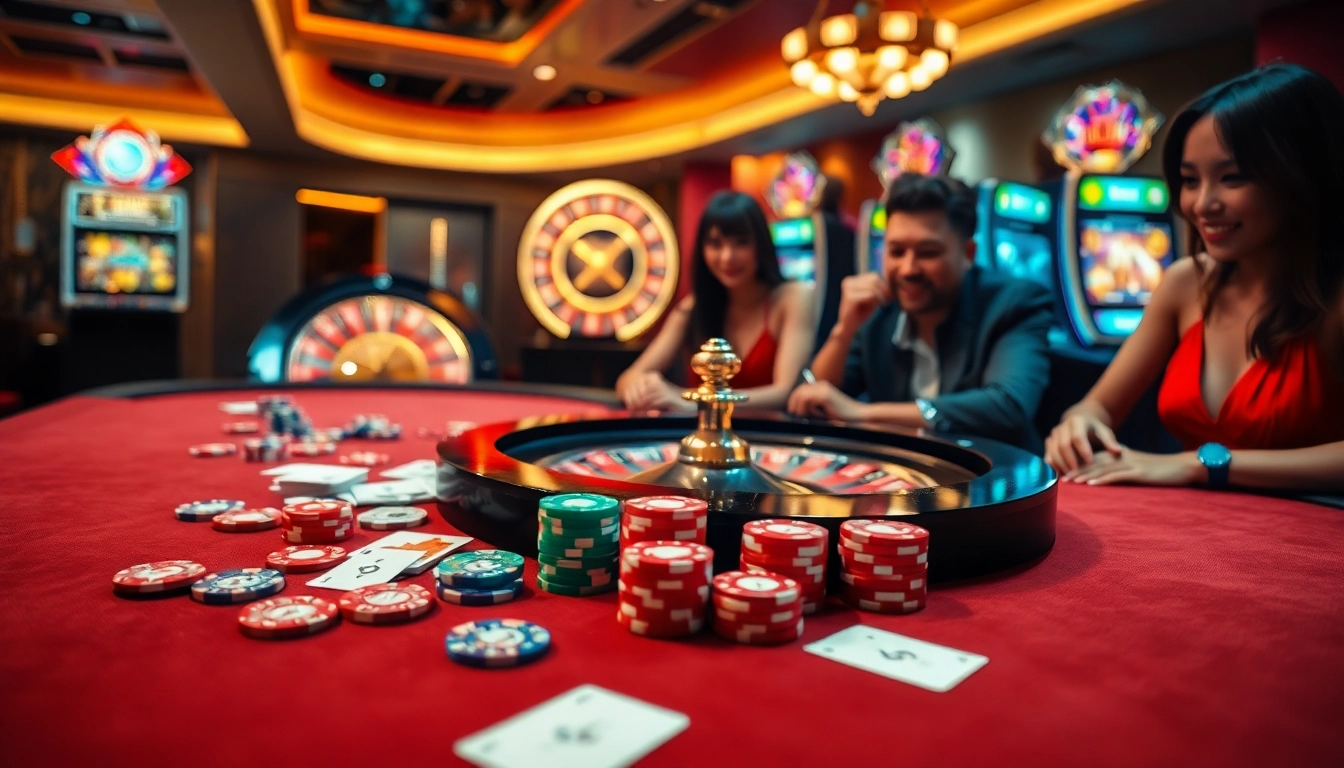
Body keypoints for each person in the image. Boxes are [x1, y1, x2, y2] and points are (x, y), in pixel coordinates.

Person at [1045, 63, 1344, 491]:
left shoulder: (1336, 293)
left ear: (1301, 176)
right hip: (1197, 531)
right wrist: (1078, 426)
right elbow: (1095, 407)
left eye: (1232, 178)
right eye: (1189, 180)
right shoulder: (1185, 284)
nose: (1202, 204)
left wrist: (1200, 465)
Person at [787, 174, 1054, 451]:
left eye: (928, 252)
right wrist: (844, 329)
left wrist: (864, 413)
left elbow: (1007, 405)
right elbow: (812, 399)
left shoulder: (1014, 302)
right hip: (906, 481)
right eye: (897, 251)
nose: (908, 269)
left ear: (968, 254)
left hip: (998, 481)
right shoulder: (879, 313)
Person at [616, 191, 815, 411]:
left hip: (773, 440)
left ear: (761, 244)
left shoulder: (793, 297)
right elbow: (628, 378)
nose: (727, 256)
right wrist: (642, 389)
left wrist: (690, 401)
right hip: (701, 440)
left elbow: (784, 392)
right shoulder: (693, 307)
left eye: (741, 243)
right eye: (715, 243)